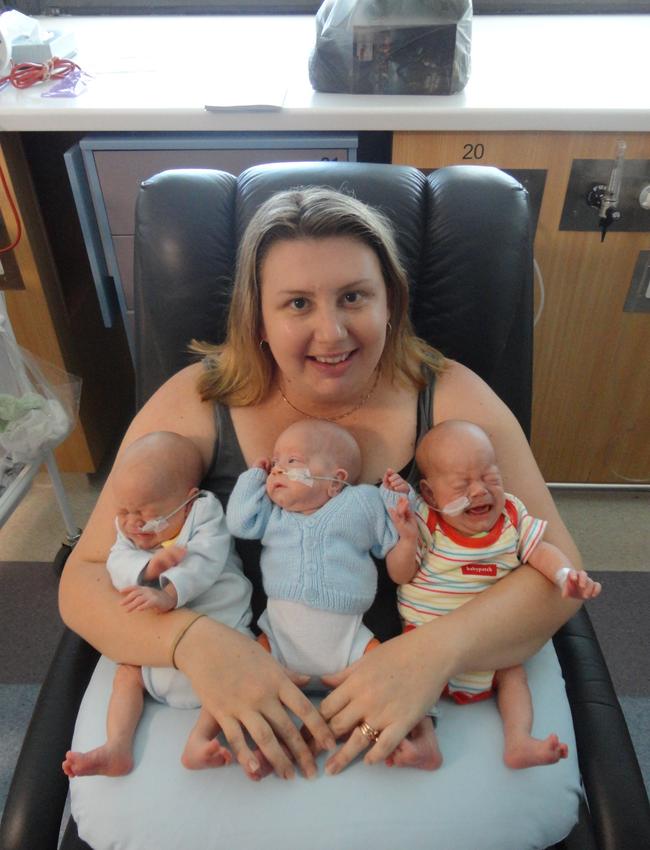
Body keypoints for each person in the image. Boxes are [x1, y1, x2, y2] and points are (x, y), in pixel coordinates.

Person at [60, 183, 584, 792]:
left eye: (354, 296)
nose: (332, 333)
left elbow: (561, 572)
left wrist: (434, 652)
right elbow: (85, 576)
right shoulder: (196, 400)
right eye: (298, 303)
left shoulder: (452, 395)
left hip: (429, 699)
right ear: (257, 317)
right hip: (227, 695)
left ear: (392, 301)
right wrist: (192, 644)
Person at [383, 419, 601, 771]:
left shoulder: (511, 517)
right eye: (461, 485)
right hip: (425, 639)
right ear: (429, 493)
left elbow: (541, 551)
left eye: (490, 478)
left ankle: (518, 742)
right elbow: (400, 574)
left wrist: (565, 575)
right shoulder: (424, 520)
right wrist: (407, 540)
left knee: (513, 676)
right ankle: (425, 744)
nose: (479, 491)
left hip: (490, 642)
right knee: (411, 682)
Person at [62, 431, 253, 778]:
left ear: (188, 500)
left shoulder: (204, 515)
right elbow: (116, 562)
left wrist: (169, 594)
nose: (134, 523)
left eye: (147, 512)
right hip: (155, 649)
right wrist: (145, 569)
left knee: (233, 672)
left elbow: (206, 562)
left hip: (217, 631)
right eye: (125, 511)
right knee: (126, 673)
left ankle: (199, 739)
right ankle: (117, 746)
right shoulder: (129, 529)